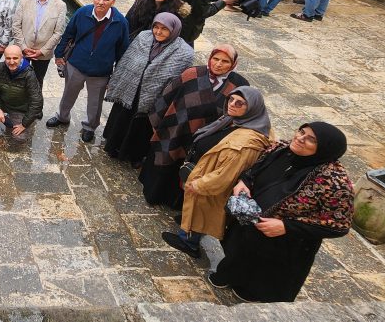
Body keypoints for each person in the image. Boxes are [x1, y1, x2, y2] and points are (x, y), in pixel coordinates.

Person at [211, 122, 354, 302]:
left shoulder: (335, 183)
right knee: (237, 254)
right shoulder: (280, 149)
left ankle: (249, 292)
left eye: (311, 139)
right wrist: (244, 181)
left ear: (325, 148)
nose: (300, 138)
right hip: (249, 225)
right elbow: (255, 169)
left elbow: (338, 226)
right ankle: (228, 276)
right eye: (301, 131)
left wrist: (286, 226)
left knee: (263, 276)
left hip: (285, 242)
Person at [161, 87, 272, 259]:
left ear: (252, 108)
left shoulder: (246, 143)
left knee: (201, 212)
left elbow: (224, 176)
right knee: (196, 210)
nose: (232, 104)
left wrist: (197, 185)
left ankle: (188, 242)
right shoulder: (238, 120)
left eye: (240, 103)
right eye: (231, 99)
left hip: (208, 184)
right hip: (203, 173)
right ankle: (188, 224)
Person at [141, 44, 249, 207]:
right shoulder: (191, 74)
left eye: (225, 61)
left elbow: (239, 113)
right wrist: (160, 123)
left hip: (205, 140)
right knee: (167, 160)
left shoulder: (239, 85)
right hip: (176, 129)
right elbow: (167, 96)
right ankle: (154, 195)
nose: (218, 64)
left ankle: (176, 202)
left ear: (233, 64)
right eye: (215, 59)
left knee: (189, 169)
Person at [102, 13, 193, 164]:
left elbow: (176, 81)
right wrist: (116, 80)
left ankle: (133, 156)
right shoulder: (144, 36)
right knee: (121, 120)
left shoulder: (184, 52)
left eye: (164, 29)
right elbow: (127, 60)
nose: (158, 32)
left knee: (141, 128)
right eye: (156, 27)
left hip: (155, 97)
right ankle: (113, 146)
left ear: (174, 30)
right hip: (130, 88)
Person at [48, 0, 130, 143]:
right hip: (76, 64)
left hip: (101, 71)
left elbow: (123, 50)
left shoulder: (120, 22)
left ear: (112, 2)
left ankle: (90, 127)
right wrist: (58, 54)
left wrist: (115, 76)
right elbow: (68, 33)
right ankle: (62, 117)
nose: (101, 2)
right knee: (68, 94)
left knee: (95, 102)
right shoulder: (82, 13)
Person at [0, 45, 42, 141]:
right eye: (8, 58)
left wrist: (24, 124)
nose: (11, 62)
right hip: (2, 101)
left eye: (15, 58)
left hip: (19, 108)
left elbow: (37, 101)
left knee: (20, 138)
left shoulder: (29, 74)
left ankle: (18, 121)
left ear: (21, 58)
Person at [11, 0, 68, 85]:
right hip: (23, 49)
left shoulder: (60, 5)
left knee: (37, 81)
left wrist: (42, 51)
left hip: (43, 53)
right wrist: (23, 47)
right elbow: (16, 25)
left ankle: (35, 97)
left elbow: (58, 32)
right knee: (18, 79)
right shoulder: (24, 0)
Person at [124, 0, 189, 41]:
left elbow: (178, 34)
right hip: (136, 40)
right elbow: (128, 22)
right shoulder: (141, 2)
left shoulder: (177, 10)